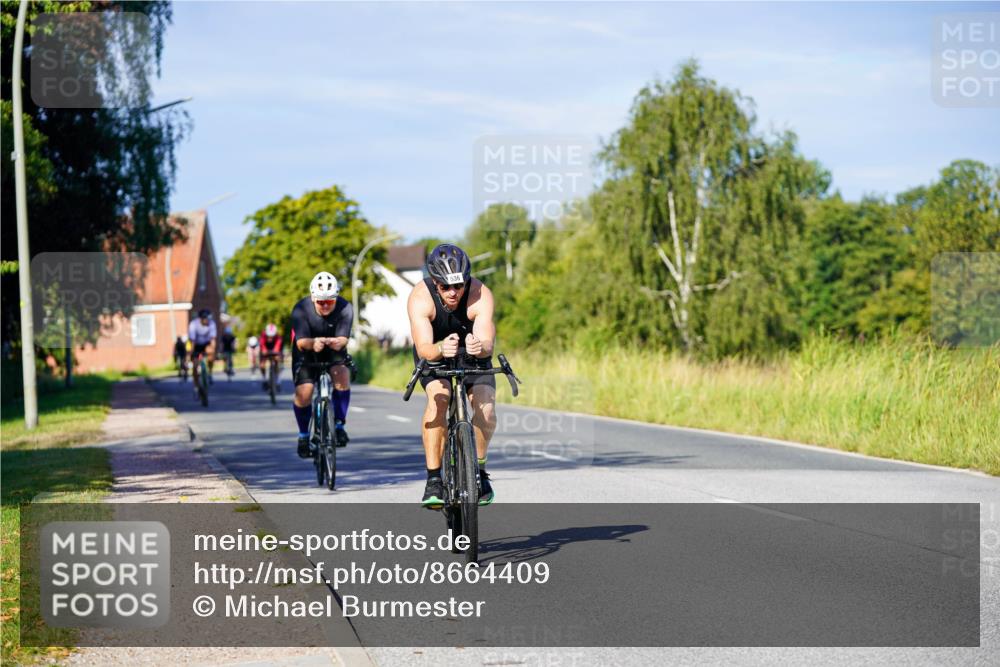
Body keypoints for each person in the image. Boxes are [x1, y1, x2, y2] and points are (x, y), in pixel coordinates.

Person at [407, 243, 496, 508]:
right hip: (434, 352)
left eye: (458, 286)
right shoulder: (419, 297)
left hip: (473, 354)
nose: (453, 293)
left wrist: (478, 347)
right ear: (435, 282)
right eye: (445, 287)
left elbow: (487, 342)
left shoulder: (480, 293)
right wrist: (439, 349)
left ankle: (478, 471)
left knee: (486, 408)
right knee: (439, 399)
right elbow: (423, 347)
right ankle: (434, 479)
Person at [290, 272, 354, 458]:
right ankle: (303, 436)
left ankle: (339, 424)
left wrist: (336, 342)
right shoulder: (301, 309)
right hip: (307, 350)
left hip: (333, 348)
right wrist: (314, 343)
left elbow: (343, 339)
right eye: (320, 301)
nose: (325, 305)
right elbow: (301, 342)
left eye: (330, 301)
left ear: (336, 298)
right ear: (313, 298)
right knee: (305, 391)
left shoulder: (345, 307)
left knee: (342, 374)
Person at [188, 309, 217, 393]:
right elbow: (192, 341)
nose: (207, 321)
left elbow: (213, 340)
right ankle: (196, 386)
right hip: (196, 345)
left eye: (208, 319)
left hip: (206, 343)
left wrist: (213, 351)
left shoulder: (212, 324)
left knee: (211, 352)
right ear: (201, 319)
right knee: (195, 366)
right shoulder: (193, 324)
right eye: (206, 319)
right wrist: (191, 354)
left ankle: (210, 373)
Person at [259, 323, 284, 390]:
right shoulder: (262, 336)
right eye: (268, 336)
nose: (270, 338)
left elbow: (277, 348)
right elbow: (263, 347)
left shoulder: (278, 338)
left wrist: (276, 356)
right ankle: (264, 379)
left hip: (275, 349)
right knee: (262, 365)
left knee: (278, 361)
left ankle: (278, 381)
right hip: (266, 348)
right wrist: (264, 352)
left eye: (272, 336)